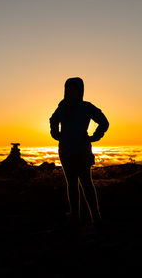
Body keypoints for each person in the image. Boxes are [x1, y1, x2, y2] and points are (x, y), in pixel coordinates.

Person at [49, 77, 109, 225]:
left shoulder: (86, 107)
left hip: (81, 151)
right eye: (69, 88)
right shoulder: (62, 107)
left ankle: (96, 217)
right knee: (71, 184)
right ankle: (75, 216)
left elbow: (104, 122)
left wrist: (95, 137)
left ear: (80, 90)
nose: (71, 91)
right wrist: (55, 133)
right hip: (65, 150)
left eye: (74, 88)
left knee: (86, 182)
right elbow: (53, 119)